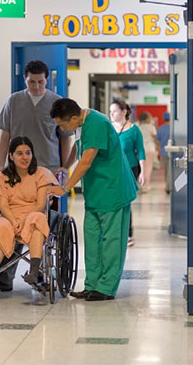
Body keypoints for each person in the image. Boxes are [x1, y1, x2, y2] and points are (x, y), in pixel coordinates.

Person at [48, 98, 137, 301]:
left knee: (111, 240)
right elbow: (77, 148)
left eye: (62, 124)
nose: (62, 129)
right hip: (96, 192)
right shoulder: (80, 122)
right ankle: (92, 284)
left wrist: (65, 187)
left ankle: (106, 288)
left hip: (112, 189)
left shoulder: (96, 123)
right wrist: (66, 165)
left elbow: (87, 160)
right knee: (92, 238)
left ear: (72, 117)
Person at [0, 60, 72, 291]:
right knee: (14, 219)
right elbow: (5, 136)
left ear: (47, 80)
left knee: (42, 220)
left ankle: (40, 273)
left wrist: (64, 167)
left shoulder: (56, 103)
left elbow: (65, 138)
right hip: (16, 172)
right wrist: (1, 164)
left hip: (47, 170)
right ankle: (5, 276)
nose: (36, 86)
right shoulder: (14, 101)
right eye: (32, 82)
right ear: (25, 79)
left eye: (40, 82)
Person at [0, 136, 58, 297]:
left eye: (28, 153)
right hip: (9, 216)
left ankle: (34, 271)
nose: (25, 157)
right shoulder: (1, 178)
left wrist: (23, 220)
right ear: (11, 156)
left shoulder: (42, 174)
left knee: (36, 219)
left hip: (34, 213)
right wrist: (13, 220)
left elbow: (40, 204)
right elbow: (2, 206)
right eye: (20, 153)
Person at [109, 100, 146, 247]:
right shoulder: (108, 128)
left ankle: (128, 233)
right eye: (110, 111)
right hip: (111, 169)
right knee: (112, 201)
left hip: (130, 169)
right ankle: (113, 232)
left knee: (124, 200)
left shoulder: (134, 130)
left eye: (115, 111)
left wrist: (143, 172)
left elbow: (141, 151)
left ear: (124, 112)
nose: (111, 114)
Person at [137, 112, 158, 192]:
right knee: (148, 168)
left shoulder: (138, 127)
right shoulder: (151, 127)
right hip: (150, 149)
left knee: (142, 168)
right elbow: (154, 137)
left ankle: (141, 184)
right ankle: (145, 186)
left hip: (141, 149)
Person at [156, 112, 171, 194]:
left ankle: (167, 186)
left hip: (163, 152)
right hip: (172, 153)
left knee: (166, 171)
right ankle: (169, 186)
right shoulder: (173, 128)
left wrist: (159, 150)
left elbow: (157, 142)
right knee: (171, 170)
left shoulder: (160, 129)